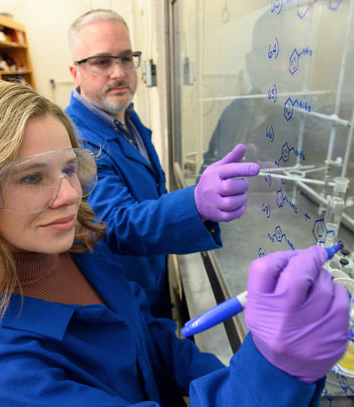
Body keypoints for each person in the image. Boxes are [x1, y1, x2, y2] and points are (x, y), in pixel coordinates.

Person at [0, 79, 349, 406]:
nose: (70, 194)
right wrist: (271, 371)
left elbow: (148, 336)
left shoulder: (75, 246)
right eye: (31, 177)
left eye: (68, 168)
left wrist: (235, 379)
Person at [66, 9, 260, 318]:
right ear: (75, 72)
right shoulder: (76, 140)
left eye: (126, 58)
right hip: (124, 290)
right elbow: (114, 224)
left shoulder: (124, 114)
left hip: (150, 271)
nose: (118, 72)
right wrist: (195, 203)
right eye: (102, 62)